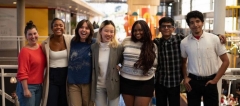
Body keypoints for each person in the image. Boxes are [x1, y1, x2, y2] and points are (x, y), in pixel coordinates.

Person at [153, 17, 227, 106]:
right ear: (159, 29)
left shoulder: (180, 39)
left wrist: (218, 35)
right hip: (160, 81)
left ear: (173, 28)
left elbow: (197, 34)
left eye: (169, 26)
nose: (166, 28)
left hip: (175, 82)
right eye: (163, 26)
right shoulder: (156, 42)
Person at [181, 10, 230, 106]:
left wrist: (215, 80)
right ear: (189, 25)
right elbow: (183, 62)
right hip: (192, 82)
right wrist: (185, 77)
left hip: (210, 82)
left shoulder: (214, 39)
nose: (195, 25)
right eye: (192, 22)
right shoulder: (184, 42)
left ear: (202, 23)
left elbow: (226, 61)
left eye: (198, 21)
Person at [120, 20, 158, 106]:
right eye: (135, 30)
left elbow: (155, 64)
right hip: (126, 81)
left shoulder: (152, 46)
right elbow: (119, 56)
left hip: (145, 83)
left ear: (146, 30)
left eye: (140, 30)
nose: (137, 32)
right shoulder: (126, 41)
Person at [91, 20, 123, 106]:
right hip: (98, 86)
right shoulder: (94, 47)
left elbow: (123, 61)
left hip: (113, 85)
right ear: (101, 31)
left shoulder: (118, 47)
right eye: (106, 31)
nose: (109, 34)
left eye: (111, 31)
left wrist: (120, 66)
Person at [41, 18, 72, 106]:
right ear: (52, 28)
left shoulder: (70, 40)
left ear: (64, 28)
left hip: (66, 75)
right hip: (52, 76)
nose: (58, 27)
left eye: (61, 25)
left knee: (65, 102)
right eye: (55, 25)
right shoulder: (45, 43)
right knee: (51, 102)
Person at [16, 21, 46, 106]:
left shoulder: (41, 48)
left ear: (38, 34)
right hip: (27, 86)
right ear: (26, 37)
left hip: (39, 86)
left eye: (34, 33)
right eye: (30, 34)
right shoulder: (24, 51)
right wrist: (25, 89)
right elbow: (22, 71)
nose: (33, 36)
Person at [67, 19, 95, 106]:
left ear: (90, 31)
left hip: (88, 83)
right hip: (73, 82)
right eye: (81, 27)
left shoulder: (94, 43)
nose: (84, 30)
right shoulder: (72, 41)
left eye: (87, 28)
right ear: (77, 29)